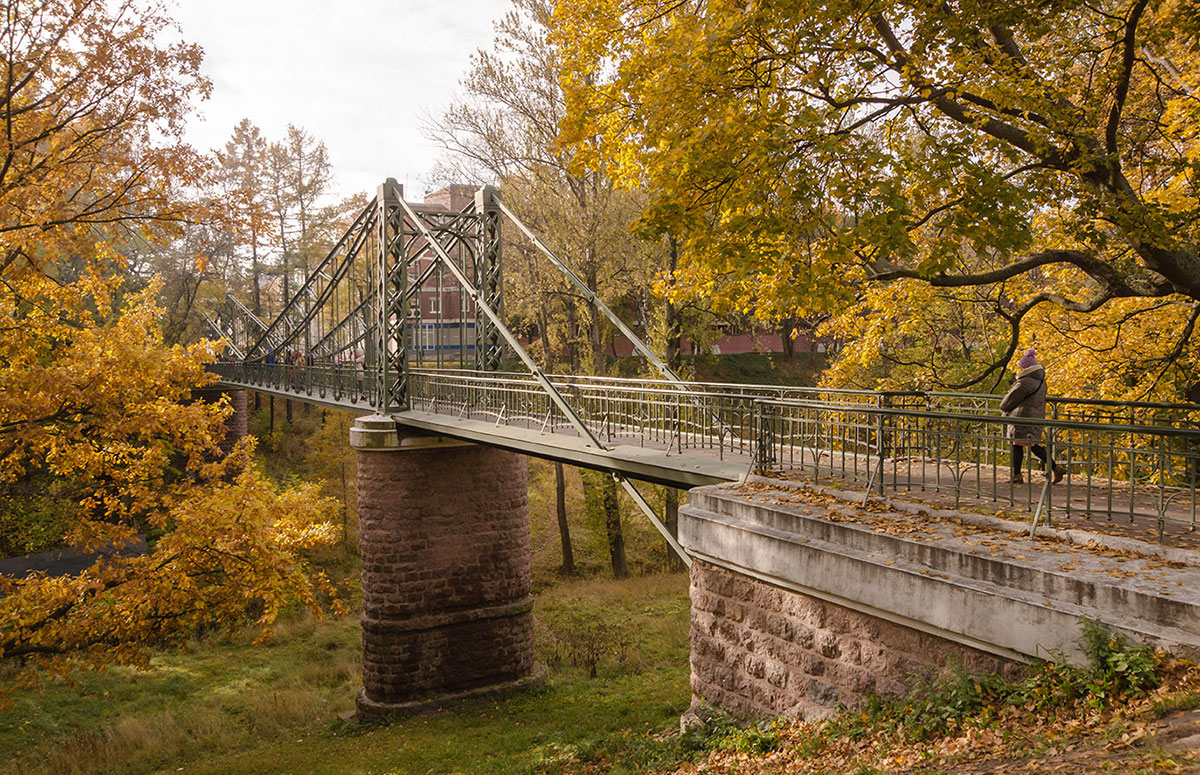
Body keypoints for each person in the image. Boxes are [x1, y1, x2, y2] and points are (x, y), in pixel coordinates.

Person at [999, 348, 1065, 484]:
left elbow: (1010, 399)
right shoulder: (1041, 380)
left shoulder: (1025, 382)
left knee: (1017, 444)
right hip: (1034, 416)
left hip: (1022, 417)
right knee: (1033, 445)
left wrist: (1004, 407)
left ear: (1026, 368)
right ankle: (1055, 467)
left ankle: (1018, 475)